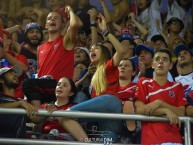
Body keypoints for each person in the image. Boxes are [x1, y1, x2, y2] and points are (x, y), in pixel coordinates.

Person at [58, 13, 126, 143]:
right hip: (104, 120)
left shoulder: (109, 65)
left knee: (64, 116)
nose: (92, 50)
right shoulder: (93, 73)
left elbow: (121, 51)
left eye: (96, 48)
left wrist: (106, 31)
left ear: (105, 53)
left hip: (110, 103)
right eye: (91, 49)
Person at [22, 6, 81, 109]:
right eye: (49, 18)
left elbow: (75, 24)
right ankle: (38, 115)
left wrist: (70, 11)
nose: (52, 19)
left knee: (27, 84)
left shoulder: (65, 41)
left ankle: (37, 112)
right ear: (45, 25)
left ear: (62, 24)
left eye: (56, 18)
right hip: (44, 87)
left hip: (59, 84)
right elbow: (40, 70)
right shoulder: (40, 47)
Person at [134, 49, 188, 144]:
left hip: (174, 140)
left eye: (165, 59)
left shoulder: (177, 86)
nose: (161, 62)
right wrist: (165, 110)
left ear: (170, 66)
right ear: (152, 64)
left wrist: (160, 103)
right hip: (151, 140)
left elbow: (181, 112)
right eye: (157, 59)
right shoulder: (143, 82)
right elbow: (139, 109)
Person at [0, 65, 37, 138]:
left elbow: (35, 119)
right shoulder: (20, 102)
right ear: (1, 80)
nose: (16, 75)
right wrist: (20, 103)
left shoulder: (21, 102)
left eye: (15, 73)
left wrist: (49, 111)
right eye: (10, 73)